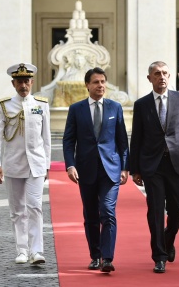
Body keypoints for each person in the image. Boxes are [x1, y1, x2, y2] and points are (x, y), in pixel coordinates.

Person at [129, 61, 179, 274]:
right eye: (157, 74)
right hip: (153, 165)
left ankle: (168, 240)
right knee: (156, 210)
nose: (162, 77)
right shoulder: (141, 105)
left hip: (176, 162)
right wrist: (135, 169)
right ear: (149, 78)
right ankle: (159, 256)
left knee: (177, 209)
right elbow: (137, 138)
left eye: (165, 73)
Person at [62, 67, 129, 273]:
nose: (101, 85)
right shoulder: (76, 109)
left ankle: (107, 258)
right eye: (96, 82)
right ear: (87, 85)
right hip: (86, 170)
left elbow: (122, 140)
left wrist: (125, 167)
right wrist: (70, 165)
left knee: (107, 211)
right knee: (91, 215)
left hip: (111, 169)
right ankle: (95, 255)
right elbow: (68, 140)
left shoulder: (115, 107)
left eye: (103, 82)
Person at [0, 63, 51, 265]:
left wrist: (47, 165)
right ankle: (22, 250)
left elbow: (47, 138)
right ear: (13, 83)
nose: (23, 85)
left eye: (27, 81)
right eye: (20, 82)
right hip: (14, 164)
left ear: (32, 82)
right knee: (18, 210)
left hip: (36, 164)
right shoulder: (4, 106)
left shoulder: (41, 104)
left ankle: (37, 251)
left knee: (35, 207)